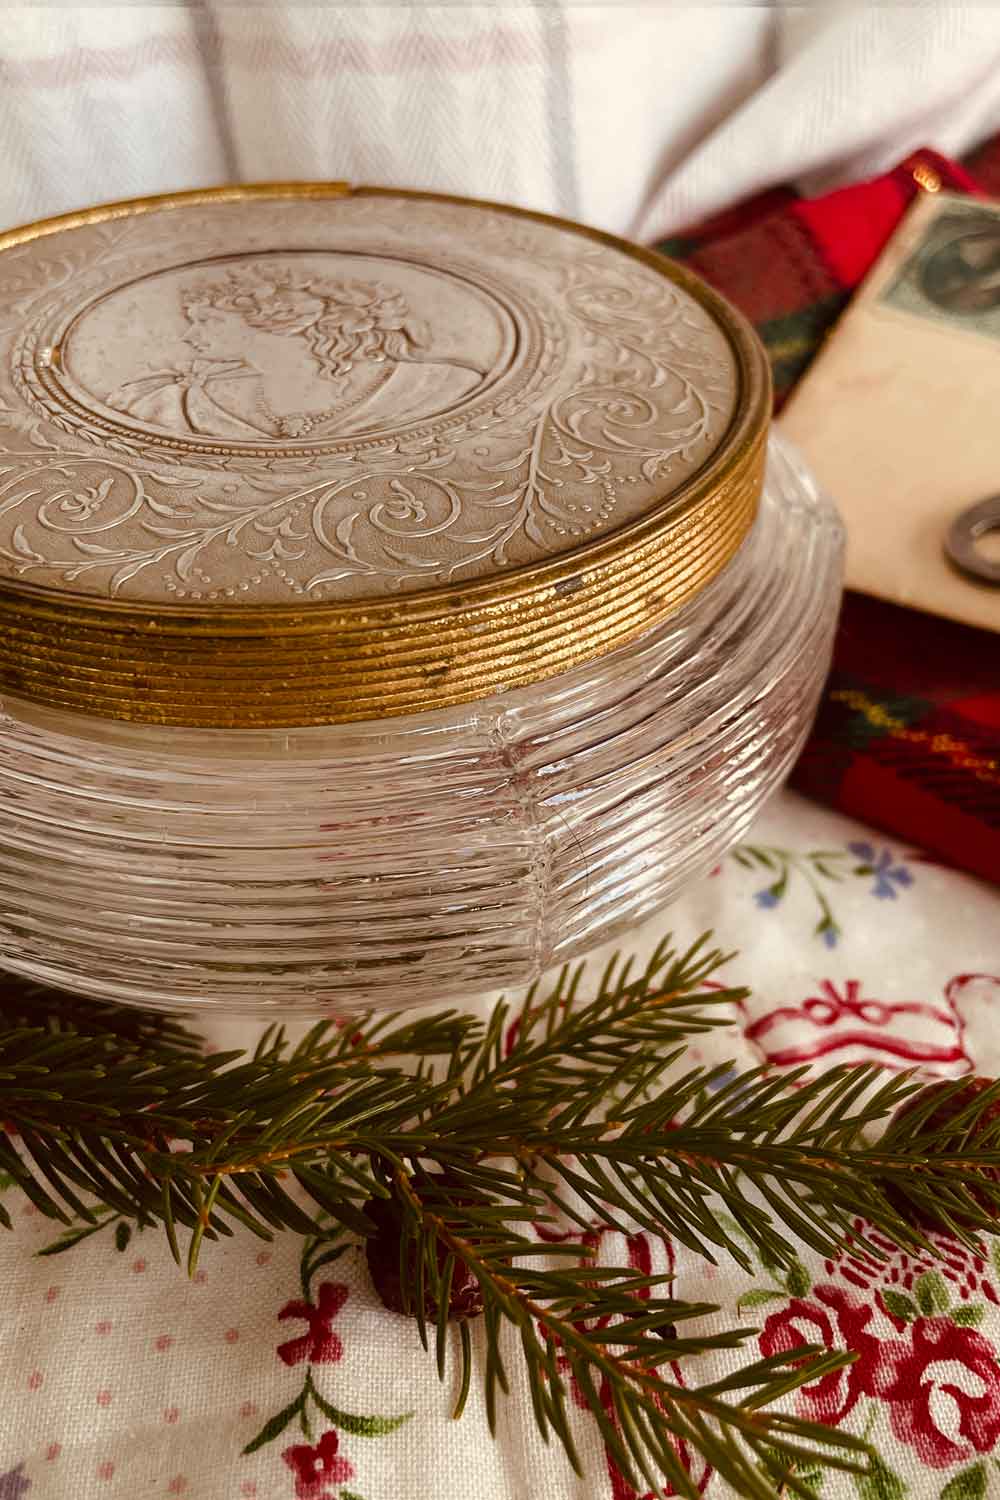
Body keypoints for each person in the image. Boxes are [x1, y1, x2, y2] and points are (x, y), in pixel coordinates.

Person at [107, 265, 485, 440]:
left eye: (209, 320)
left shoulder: (439, 386)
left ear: (278, 318)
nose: (189, 336)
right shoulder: (176, 405)